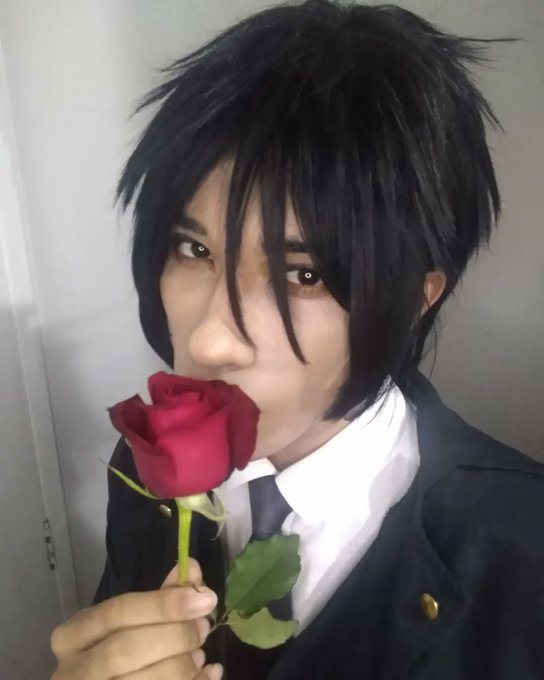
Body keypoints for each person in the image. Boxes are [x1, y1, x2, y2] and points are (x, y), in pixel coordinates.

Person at [50, 1, 544, 679]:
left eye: (302, 274)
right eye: (193, 248)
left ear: (413, 299)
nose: (211, 342)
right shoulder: (146, 468)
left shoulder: (522, 549)